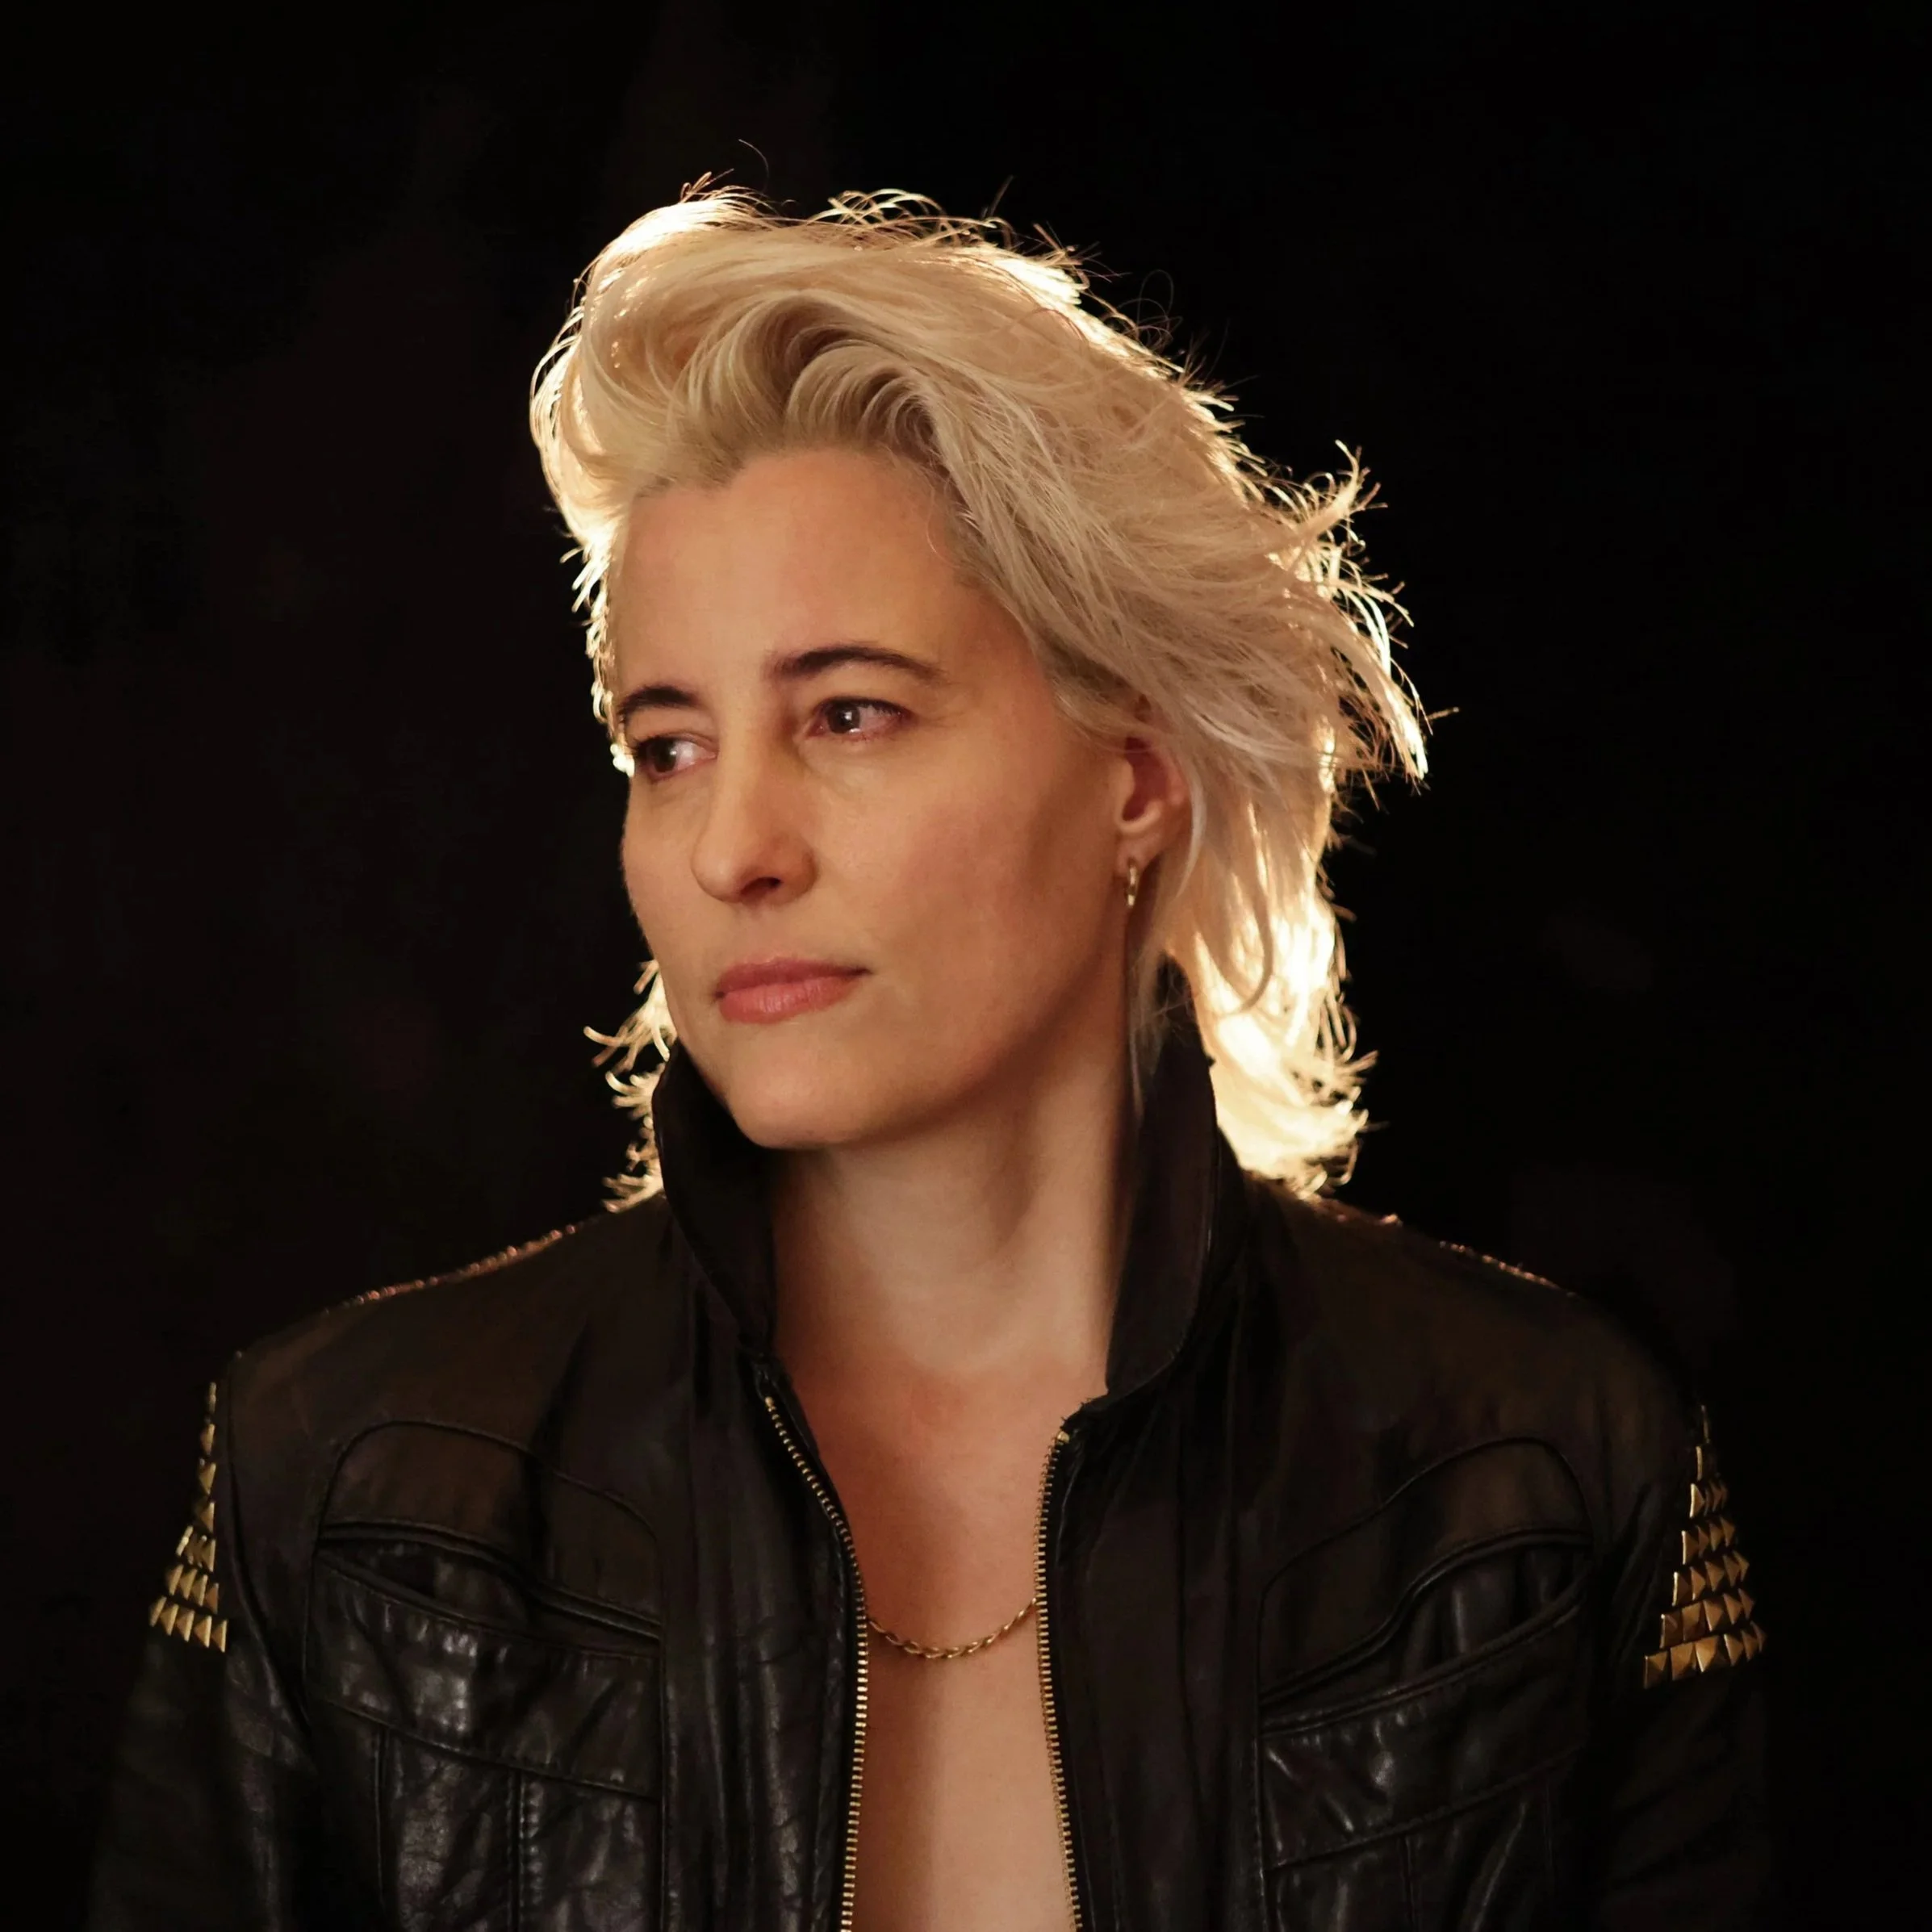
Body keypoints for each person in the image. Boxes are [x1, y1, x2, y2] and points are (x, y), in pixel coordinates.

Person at [87, 190, 1769, 1931]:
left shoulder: (1547, 1479)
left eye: (850, 714)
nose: (733, 847)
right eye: (667, 746)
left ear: (1134, 773)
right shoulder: (342, 1486)